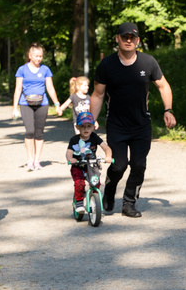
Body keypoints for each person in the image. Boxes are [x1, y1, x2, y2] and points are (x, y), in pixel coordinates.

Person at [90, 22, 176, 218]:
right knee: (119, 165)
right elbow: (97, 94)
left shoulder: (148, 62)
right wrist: (91, 120)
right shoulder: (106, 65)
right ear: (117, 39)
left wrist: (168, 110)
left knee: (139, 165)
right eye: (124, 36)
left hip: (141, 125)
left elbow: (163, 86)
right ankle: (109, 191)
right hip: (116, 125)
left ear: (137, 40)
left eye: (132, 37)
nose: (128, 40)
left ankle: (129, 203)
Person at [12, 43, 62, 171]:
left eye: (40, 56)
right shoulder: (22, 70)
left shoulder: (45, 70)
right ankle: (29, 159)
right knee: (29, 131)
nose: (38, 58)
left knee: (39, 133)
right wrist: (14, 107)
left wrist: (57, 104)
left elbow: (50, 88)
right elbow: (18, 89)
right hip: (25, 103)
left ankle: (37, 160)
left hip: (42, 104)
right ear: (30, 56)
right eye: (36, 56)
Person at [66, 112, 112, 214]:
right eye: (83, 126)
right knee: (79, 183)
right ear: (77, 127)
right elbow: (69, 152)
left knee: (96, 182)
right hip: (78, 166)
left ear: (93, 127)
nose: (86, 129)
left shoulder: (94, 137)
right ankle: (78, 202)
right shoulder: (74, 140)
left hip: (91, 166)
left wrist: (108, 156)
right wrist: (70, 159)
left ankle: (94, 199)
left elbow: (105, 147)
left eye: (89, 126)